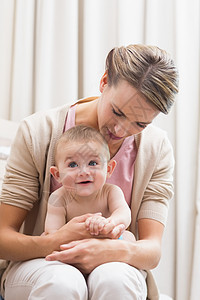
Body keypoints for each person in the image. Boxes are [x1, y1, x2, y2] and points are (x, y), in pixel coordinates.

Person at [0, 44, 179, 300]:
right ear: (104, 81)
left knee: (114, 280)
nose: (121, 130)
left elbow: (152, 250)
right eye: (117, 112)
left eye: (140, 124)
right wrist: (57, 241)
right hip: (44, 261)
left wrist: (111, 251)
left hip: (116, 262)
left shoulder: (156, 148)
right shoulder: (38, 132)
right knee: (61, 282)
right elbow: (3, 238)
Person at [44, 125, 131, 238]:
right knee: (44, 237)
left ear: (108, 169)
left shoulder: (110, 192)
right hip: (73, 242)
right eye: (73, 165)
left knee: (129, 237)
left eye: (93, 163)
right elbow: (52, 232)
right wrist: (72, 231)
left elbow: (124, 213)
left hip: (106, 241)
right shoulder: (59, 198)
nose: (84, 172)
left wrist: (109, 223)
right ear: (57, 174)